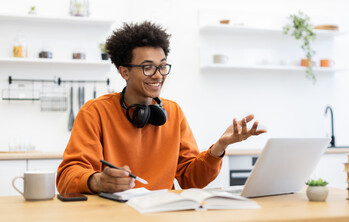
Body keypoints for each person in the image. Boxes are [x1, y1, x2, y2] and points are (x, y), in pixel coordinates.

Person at [56, 21, 266, 194]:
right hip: (113, 217)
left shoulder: (173, 112)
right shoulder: (95, 112)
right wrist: (97, 181)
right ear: (124, 72)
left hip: (162, 215)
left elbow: (191, 179)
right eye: (148, 67)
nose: (158, 75)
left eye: (162, 66)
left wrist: (219, 147)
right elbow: (67, 177)